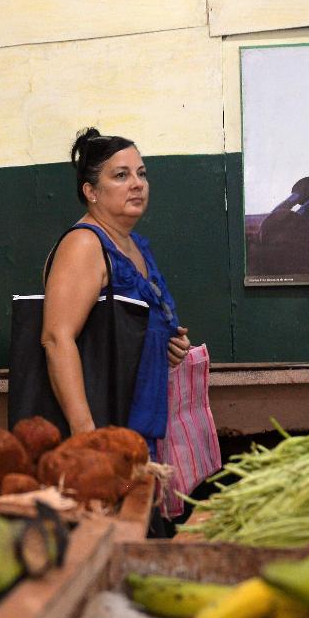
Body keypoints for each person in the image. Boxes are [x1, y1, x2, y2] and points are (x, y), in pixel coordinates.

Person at [40, 128, 190, 451]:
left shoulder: (135, 246)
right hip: (104, 439)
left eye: (141, 174)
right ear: (91, 192)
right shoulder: (84, 244)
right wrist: (86, 435)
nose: (137, 184)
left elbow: (120, 334)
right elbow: (56, 338)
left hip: (140, 433)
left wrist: (167, 344)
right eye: (121, 175)